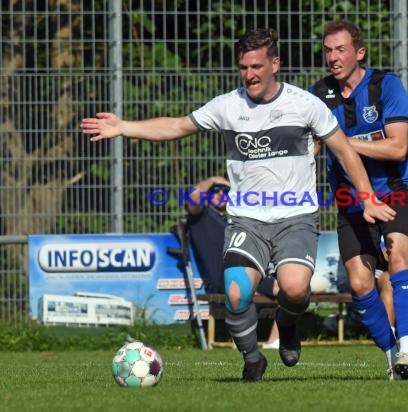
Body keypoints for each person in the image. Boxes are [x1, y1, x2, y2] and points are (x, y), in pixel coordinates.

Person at [81, 28, 391, 383]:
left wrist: (367, 198)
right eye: (244, 67)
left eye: (257, 66)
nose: (250, 75)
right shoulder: (228, 106)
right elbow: (178, 126)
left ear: (276, 64)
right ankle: (253, 358)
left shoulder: (305, 104)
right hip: (247, 220)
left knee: (293, 289)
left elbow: (344, 150)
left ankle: (287, 324)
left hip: (296, 217)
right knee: (235, 291)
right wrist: (124, 127)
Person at [311, 20, 408, 380]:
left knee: (399, 255)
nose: (332, 57)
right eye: (327, 50)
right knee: (359, 283)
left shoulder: (385, 85)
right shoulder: (319, 95)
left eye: (340, 49)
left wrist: (338, 141)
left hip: (396, 190)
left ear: (359, 53)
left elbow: (397, 146)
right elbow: (310, 146)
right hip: (350, 199)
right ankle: (393, 356)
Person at [184, 175, 280, 348]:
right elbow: (193, 198)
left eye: (226, 191)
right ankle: (274, 340)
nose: (221, 193)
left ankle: (274, 339)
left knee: (291, 286)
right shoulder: (201, 217)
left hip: (247, 270)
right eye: (215, 191)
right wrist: (213, 180)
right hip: (225, 278)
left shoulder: (235, 219)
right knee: (285, 289)